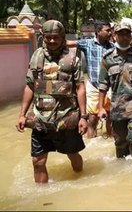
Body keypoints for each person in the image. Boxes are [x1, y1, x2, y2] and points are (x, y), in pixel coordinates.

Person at [16, 20, 88, 183]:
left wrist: (84, 117)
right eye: (49, 37)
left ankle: (81, 182)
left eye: (56, 37)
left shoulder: (73, 57)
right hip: (40, 118)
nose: (52, 41)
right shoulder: (36, 56)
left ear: (63, 37)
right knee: (38, 161)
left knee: (73, 155)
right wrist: (22, 115)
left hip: (66, 117)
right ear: (43, 37)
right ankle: (42, 199)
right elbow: (30, 86)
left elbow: (80, 88)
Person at [98, 20, 132, 158]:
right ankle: (123, 167)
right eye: (121, 34)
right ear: (115, 36)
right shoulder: (107, 58)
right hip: (117, 106)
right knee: (120, 142)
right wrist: (101, 108)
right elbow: (103, 85)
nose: (125, 37)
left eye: (127, 34)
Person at [72, 20, 114, 138]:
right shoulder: (88, 43)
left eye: (110, 30)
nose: (110, 33)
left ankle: (111, 140)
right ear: (98, 31)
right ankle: (91, 141)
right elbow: (68, 43)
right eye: (107, 30)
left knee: (111, 117)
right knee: (92, 118)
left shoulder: (113, 47)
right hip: (94, 85)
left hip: (110, 86)